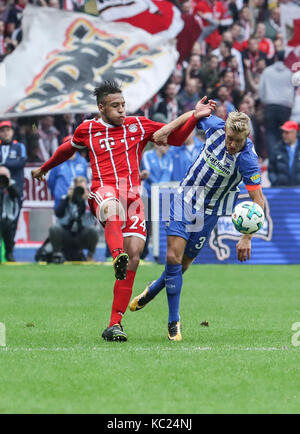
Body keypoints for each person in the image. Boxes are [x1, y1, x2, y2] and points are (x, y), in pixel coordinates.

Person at [32, 79, 216, 342]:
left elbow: (172, 138)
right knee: (113, 210)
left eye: (123, 105)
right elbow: (67, 148)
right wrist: (45, 168)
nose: (122, 110)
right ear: (101, 108)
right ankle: (116, 255)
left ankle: (114, 324)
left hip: (133, 198)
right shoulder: (88, 129)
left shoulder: (137, 125)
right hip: (104, 190)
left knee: (136, 257)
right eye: (115, 106)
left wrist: (193, 117)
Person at [130, 111, 264, 341]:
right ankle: (174, 322)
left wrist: (247, 237)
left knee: (181, 266)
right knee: (173, 257)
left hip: (210, 212)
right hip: (184, 199)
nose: (231, 144)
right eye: (229, 138)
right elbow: (194, 114)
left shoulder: (247, 159)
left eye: (237, 141)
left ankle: (153, 289)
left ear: (246, 137)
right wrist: (167, 129)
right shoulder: (214, 127)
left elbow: (258, 201)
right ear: (225, 130)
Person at [49, 176, 99, 263]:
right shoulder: (66, 199)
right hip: (67, 233)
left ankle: (90, 256)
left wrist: (88, 201)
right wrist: (67, 199)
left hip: (82, 234)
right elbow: (58, 214)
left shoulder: (90, 201)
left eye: (82, 189)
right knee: (54, 228)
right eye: (78, 189)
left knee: (93, 230)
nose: (80, 192)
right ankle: (58, 255)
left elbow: (96, 218)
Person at [258, 50, 295, 157]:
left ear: (275, 58)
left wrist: (264, 101)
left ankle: (273, 158)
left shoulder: (267, 71)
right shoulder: (289, 72)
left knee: (270, 133)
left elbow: (261, 89)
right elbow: (293, 90)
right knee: (284, 133)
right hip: (285, 107)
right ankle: (283, 157)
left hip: (270, 105)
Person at [48, 135, 88, 209]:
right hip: (61, 203)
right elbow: (51, 182)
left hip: (78, 204)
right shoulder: (57, 162)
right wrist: (58, 194)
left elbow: (85, 181)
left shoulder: (82, 162)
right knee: (62, 220)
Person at [268, 121, 300, 186]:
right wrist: (276, 183)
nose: (284, 135)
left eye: (287, 132)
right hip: (280, 191)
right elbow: (271, 171)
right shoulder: (276, 149)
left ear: (295, 133)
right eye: (283, 132)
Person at [0, 166, 20, 262]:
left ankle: (9, 253)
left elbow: (17, 196)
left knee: (8, 226)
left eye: (4, 176)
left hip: (7, 220)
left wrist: (9, 184)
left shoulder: (12, 185)